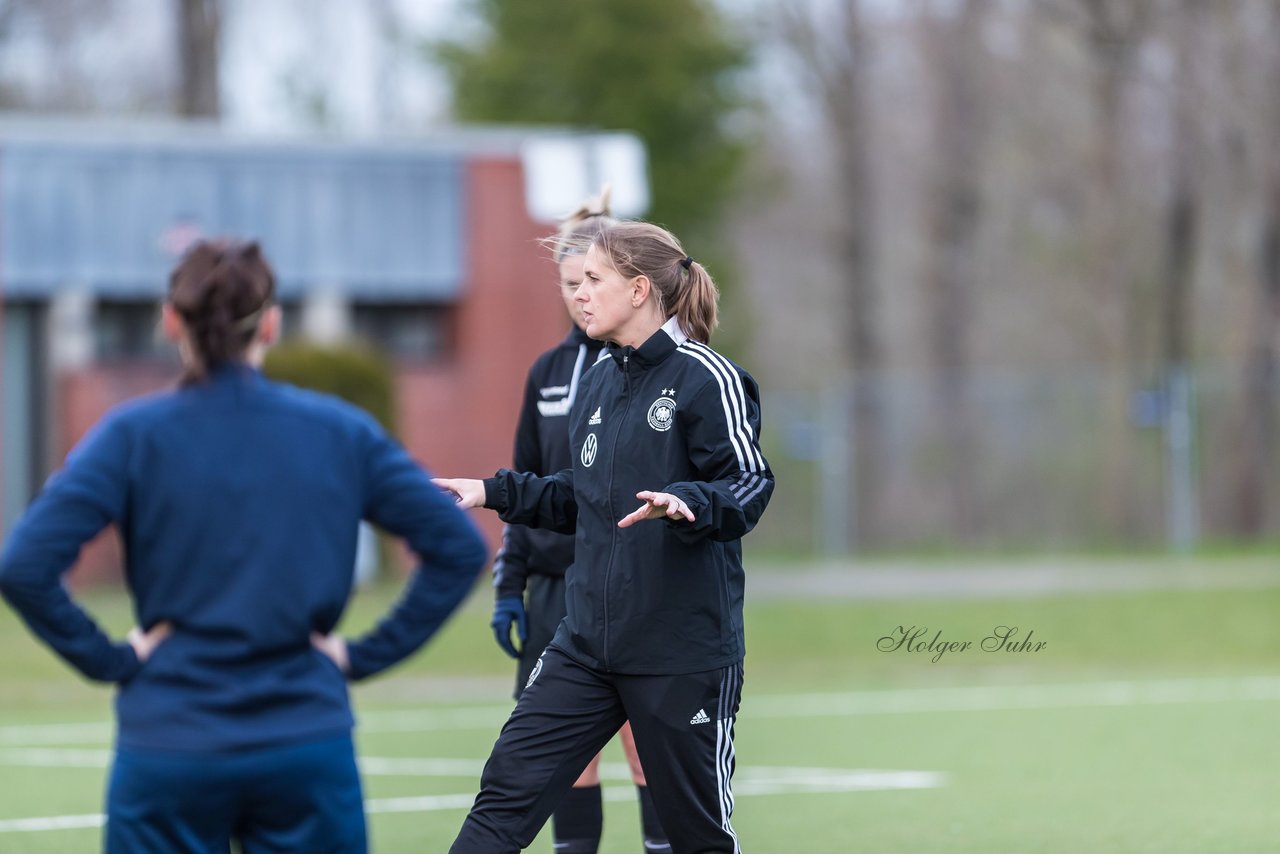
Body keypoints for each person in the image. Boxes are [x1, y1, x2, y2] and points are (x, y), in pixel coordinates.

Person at [0, 240, 489, 854]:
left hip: (171, 741)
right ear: (273, 323)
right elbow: (458, 547)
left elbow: (25, 565)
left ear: (171, 320)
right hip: (303, 740)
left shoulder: (131, 434)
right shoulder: (337, 431)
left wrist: (112, 661)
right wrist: (362, 656)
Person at [437, 221, 775, 853]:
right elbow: (581, 496)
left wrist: (689, 501)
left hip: (679, 652)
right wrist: (495, 491)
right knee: (505, 794)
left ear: (640, 289)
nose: (579, 294)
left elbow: (750, 484)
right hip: (585, 646)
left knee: (697, 835)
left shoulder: (708, 378)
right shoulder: (598, 378)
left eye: (594, 280)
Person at [489, 190, 668, 853]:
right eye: (568, 283)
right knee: (565, 759)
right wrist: (510, 584)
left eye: (588, 281)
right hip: (555, 592)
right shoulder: (550, 372)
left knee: (646, 749)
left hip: (632, 589)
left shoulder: (652, 369)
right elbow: (524, 484)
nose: (577, 295)